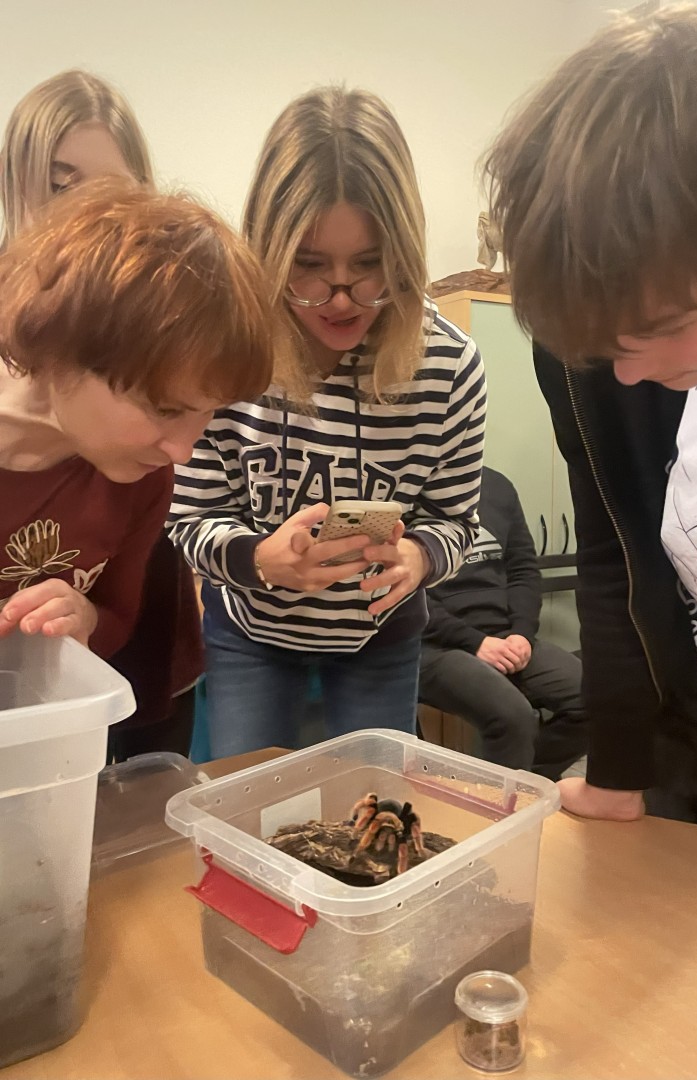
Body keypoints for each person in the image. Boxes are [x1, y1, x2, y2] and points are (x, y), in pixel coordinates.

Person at [484, 4, 697, 863]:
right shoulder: (587, 340)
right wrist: (619, 766)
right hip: (679, 727)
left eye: (669, 325)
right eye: (601, 348)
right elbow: (612, 554)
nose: (627, 375)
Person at [169, 86, 487, 759]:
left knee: (376, 806)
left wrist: (418, 556)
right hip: (250, 632)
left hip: (381, 637)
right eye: (308, 268)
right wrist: (258, 559)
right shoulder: (225, 345)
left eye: (370, 267)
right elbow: (189, 518)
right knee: (246, 801)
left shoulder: (450, 364)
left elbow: (457, 522)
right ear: (269, 251)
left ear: (404, 254)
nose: (341, 299)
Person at [0, 70, 205, 760]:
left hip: (83, 708)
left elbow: (114, 610)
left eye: (114, 196)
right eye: (61, 187)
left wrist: (85, 615)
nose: (84, 219)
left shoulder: (145, 462)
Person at [0, 182, 274, 698]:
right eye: (166, 409)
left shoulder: (141, 477)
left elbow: (117, 619)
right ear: (63, 347)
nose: (182, 452)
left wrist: (82, 618)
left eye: (208, 412)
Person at [419, 465, 586, 779]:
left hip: (506, 636)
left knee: (594, 698)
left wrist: (522, 633)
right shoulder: (403, 490)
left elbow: (524, 570)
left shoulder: (496, 485)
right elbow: (402, 593)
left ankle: (527, 782)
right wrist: (475, 642)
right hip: (432, 645)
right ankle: (507, 797)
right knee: (513, 716)